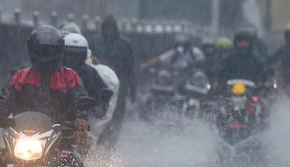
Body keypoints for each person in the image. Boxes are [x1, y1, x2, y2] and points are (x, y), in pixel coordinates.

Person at [0, 25, 89, 167]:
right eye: (41, 50)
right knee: (0, 161)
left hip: (61, 136)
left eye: (50, 51)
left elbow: (81, 98)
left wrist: (81, 117)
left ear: (58, 51)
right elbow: (5, 97)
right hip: (22, 136)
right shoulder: (21, 76)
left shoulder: (69, 76)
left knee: (73, 163)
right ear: (32, 50)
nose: (46, 55)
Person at [90, 15, 135, 146]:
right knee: (99, 112)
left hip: (120, 85)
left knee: (117, 114)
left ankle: (111, 142)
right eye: (106, 27)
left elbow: (130, 68)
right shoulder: (95, 42)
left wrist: (133, 88)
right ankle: (97, 140)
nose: (108, 30)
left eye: (111, 27)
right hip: (100, 84)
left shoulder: (125, 44)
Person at [63, 33, 110, 118]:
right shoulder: (55, 71)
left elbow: (104, 92)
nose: (73, 58)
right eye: (70, 54)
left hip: (83, 119)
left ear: (84, 55)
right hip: (55, 116)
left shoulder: (90, 72)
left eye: (77, 55)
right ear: (63, 53)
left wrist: (100, 107)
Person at [140, 34, 205, 73]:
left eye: (184, 45)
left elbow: (202, 62)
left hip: (191, 75)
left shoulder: (195, 52)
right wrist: (145, 65)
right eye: (179, 45)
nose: (181, 48)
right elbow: (159, 59)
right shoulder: (173, 53)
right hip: (174, 75)